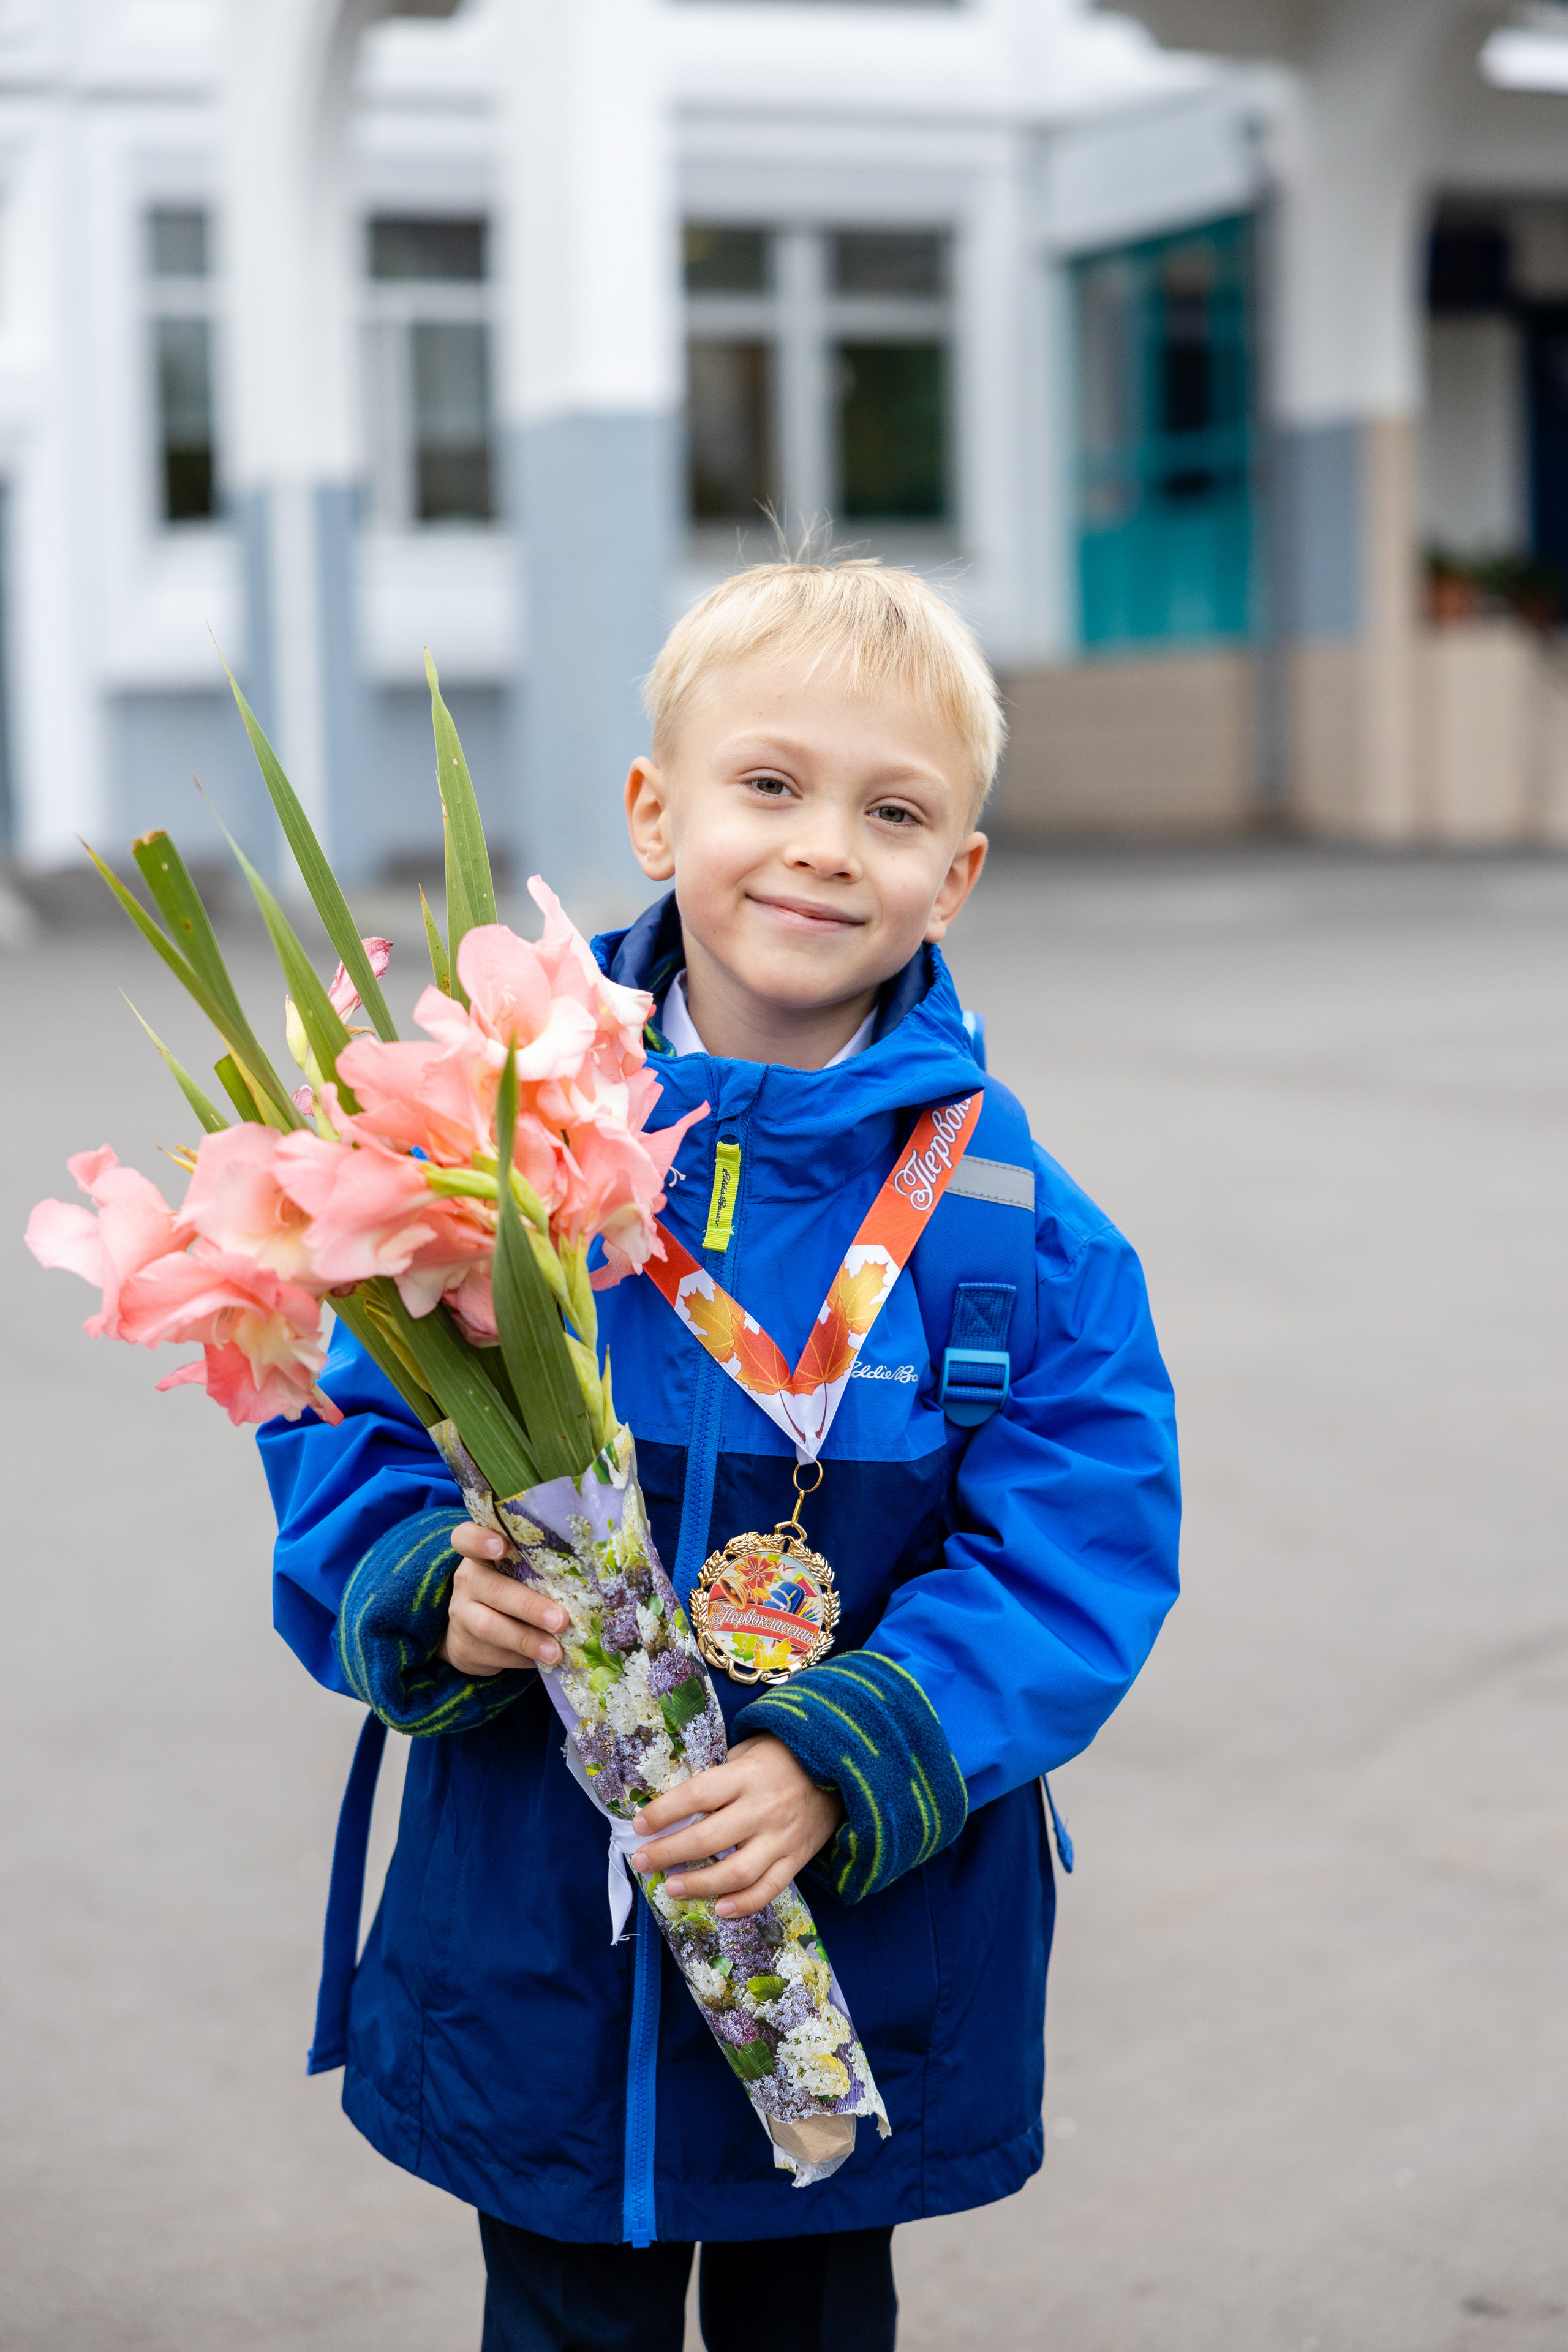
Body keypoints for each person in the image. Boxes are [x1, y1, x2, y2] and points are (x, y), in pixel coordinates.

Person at [260, 557, 1181, 2352]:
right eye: (770, 784)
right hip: (540, 1946)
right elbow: (344, 1423)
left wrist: (846, 1756)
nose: (824, 848)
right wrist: (427, 1586)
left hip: (855, 1945)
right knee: (558, 2315)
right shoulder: (486, 1152)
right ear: (655, 811)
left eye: (893, 812)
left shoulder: (1021, 1235)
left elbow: (1078, 1559)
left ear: (956, 875)